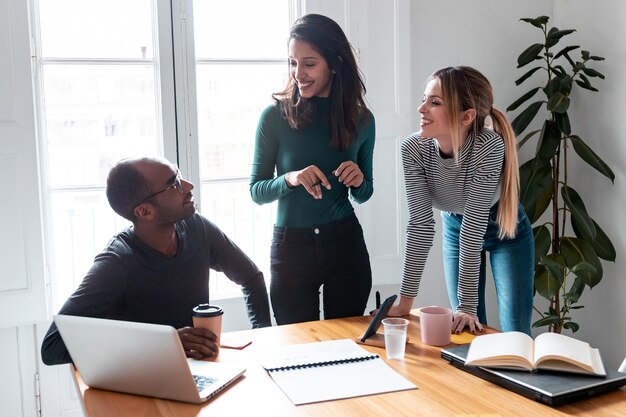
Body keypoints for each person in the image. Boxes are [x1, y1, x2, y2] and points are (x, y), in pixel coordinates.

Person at [41, 157, 271, 365]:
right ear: (144, 212)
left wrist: (261, 340)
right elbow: (52, 347)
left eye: (179, 175)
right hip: (141, 385)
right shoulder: (115, 263)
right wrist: (164, 343)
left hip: (198, 373)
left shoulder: (197, 227)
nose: (189, 186)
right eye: (174, 184)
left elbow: (251, 278)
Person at [388, 66, 534, 335]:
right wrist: (405, 302)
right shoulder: (413, 149)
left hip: (505, 227)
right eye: (424, 99)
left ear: (466, 116)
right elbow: (420, 225)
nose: (421, 109)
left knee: (516, 333)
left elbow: (475, 224)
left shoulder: (489, 146)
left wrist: (467, 304)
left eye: (434, 103)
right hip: (456, 228)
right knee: (466, 328)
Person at [250, 14, 375, 325]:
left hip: (345, 244)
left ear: (334, 64)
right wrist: (290, 178)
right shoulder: (274, 116)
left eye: (308, 63)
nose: (298, 73)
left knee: (346, 348)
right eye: (293, 63)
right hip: (291, 248)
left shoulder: (362, 120)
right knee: (295, 349)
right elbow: (256, 191)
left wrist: (358, 179)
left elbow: (364, 192)